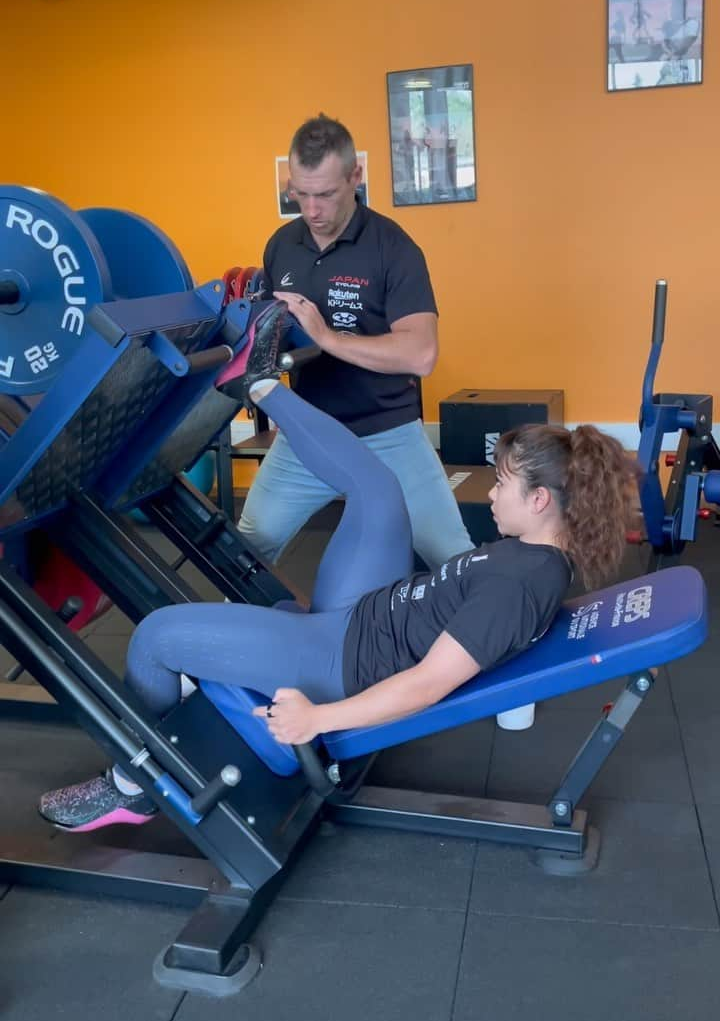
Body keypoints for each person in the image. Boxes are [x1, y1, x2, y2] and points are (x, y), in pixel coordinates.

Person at [39, 300, 637, 832]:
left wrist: (317, 716)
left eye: (503, 484)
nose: (491, 494)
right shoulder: (537, 557)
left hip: (341, 662)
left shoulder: (519, 585)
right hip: (367, 611)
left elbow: (429, 683)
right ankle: (263, 386)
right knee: (378, 488)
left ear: (539, 501)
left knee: (156, 637)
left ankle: (128, 786)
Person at [237, 112, 473, 571]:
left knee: (452, 557)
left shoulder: (393, 247)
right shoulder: (281, 245)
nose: (311, 210)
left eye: (324, 194)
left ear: (355, 176)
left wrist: (326, 336)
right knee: (250, 545)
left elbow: (420, 353)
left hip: (388, 434)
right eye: (299, 194)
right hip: (308, 436)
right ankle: (233, 640)